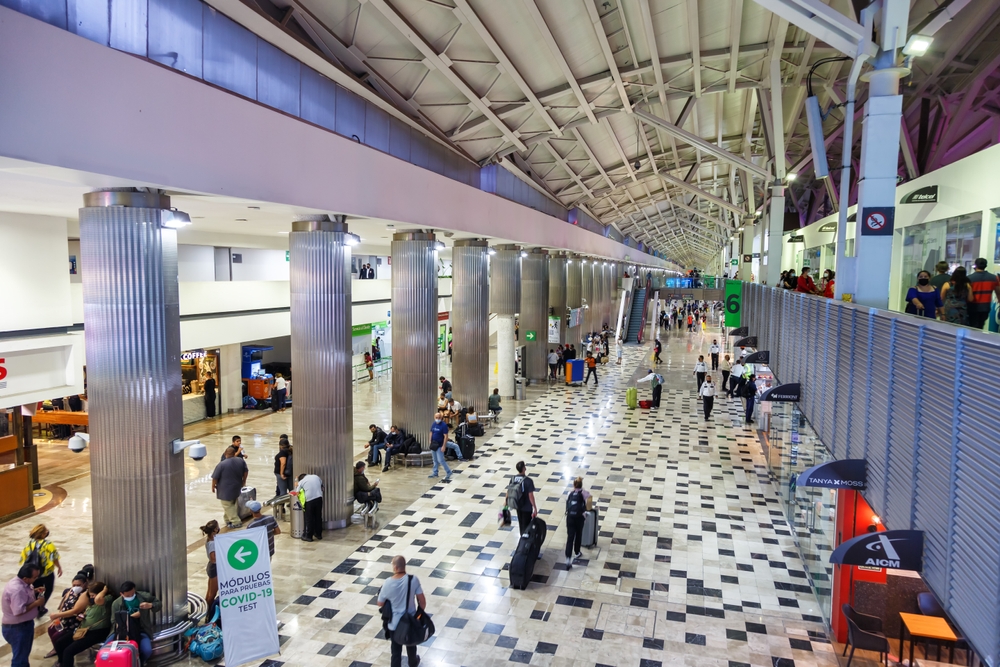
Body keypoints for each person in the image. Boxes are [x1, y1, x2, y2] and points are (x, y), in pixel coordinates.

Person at [377, 556, 426, 667]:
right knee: (411, 647)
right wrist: (419, 615)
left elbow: (380, 603)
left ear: (395, 567)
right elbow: (422, 601)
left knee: (395, 653)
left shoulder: (387, 583)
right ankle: (413, 663)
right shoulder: (413, 579)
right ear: (404, 566)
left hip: (394, 625)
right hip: (410, 622)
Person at [56, 582, 110, 667]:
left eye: (93, 595)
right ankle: (61, 663)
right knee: (60, 643)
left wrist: (105, 590)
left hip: (97, 632)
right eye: (90, 596)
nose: (92, 598)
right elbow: (86, 612)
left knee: (69, 651)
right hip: (83, 629)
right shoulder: (92, 604)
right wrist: (82, 616)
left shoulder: (106, 599)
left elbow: (98, 599)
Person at [2, 564, 44, 667]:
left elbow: (23, 596)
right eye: (34, 577)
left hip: (22, 626)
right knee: (20, 659)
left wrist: (34, 590)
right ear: (25, 578)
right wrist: (36, 603)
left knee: (22, 655)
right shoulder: (17, 590)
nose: (36, 579)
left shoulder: (21, 583)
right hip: (18, 628)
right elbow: (18, 611)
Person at [111, 582, 160, 663]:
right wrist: (129, 618)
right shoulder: (116, 604)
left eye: (133, 594)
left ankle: (139, 662)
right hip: (123, 631)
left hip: (142, 629)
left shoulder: (144, 596)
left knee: (147, 651)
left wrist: (151, 605)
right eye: (128, 596)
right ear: (121, 594)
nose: (131, 597)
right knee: (105, 648)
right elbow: (113, 621)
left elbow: (158, 604)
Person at [46, 572, 90, 658]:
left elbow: (76, 610)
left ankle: (60, 655)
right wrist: (58, 617)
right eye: (74, 585)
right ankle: (57, 649)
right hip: (64, 620)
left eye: (79, 585)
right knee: (51, 629)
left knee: (58, 638)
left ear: (84, 584)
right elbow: (63, 604)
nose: (76, 587)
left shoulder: (84, 595)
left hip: (75, 622)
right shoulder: (71, 591)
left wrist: (58, 615)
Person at [18, 523, 61, 612]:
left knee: (36, 590)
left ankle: (36, 605)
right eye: (45, 531)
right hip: (46, 573)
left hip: (33, 573)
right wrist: (59, 567)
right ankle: (41, 606)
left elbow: (24, 556)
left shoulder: (29, 543)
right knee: (48, 589)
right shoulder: (48, 544)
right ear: (42, 534)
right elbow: (54, 558)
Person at [211, 445, 249, 529]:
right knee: (232, 503)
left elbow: (215, 477)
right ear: (234, 453)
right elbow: (246, 471)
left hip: (225, 489)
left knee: (227, 505)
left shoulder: (222, 464)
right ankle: (227, 520)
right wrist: (244, 481)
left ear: (225, 454)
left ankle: (236, 522)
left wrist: (213, 486)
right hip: (237, 486)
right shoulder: (240, 461)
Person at [509, 461, 539, 555]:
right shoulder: (528, 481)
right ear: (523, 469)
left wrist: (506, 503)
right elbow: (531, 496)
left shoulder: (513, 479)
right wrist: (534, 507)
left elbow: (509, 491)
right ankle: (525, 547)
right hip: (526, 508)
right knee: (527, 527)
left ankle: (522, 543)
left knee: (521, 524)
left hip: (518, 506)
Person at [564, 477, 592, 568]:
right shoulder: (584, 493)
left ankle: (568, 559)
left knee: (570, 538)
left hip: (570, 518)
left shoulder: (569, 493)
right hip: (579, 518)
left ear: (574, 485)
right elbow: (589, 497)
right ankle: (577, 552)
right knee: (578, 535)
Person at [967, 257, 1000, 329]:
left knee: (972, 326)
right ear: (986, 266)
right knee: (980, 326)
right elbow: (998, 293)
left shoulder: (969, 278)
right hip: (985, 307)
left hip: (973, 307)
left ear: (975, 266)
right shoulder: (994, 278)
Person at [294, 472, 324, 541]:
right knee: (318, 517)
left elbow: (297, 493)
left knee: (309, 518)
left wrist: (296, 485)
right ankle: (319, 534)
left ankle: (309, 536)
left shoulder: (302, 481)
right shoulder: (316, 476)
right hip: (319, 499)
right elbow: (322, 486)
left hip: (309, 501)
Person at [200, 521, 219, 609]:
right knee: (212, 594)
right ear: (215, 529)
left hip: (211, 567)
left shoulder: (210, 539)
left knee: (209, 592)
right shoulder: (212, 543)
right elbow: (213, 558)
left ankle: (207, 610)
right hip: (214, 568)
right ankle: (209, 613)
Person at [428, 412, 452, 479]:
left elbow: (445, 436)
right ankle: (435, 472)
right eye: (436, 418)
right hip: (434, 445)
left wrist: (444, 446)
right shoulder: (433, 424)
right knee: (434, 460)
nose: (437, 419)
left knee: (441, 460)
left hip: (440, 445)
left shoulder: (443, 425)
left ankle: (448, 471)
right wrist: (430, 441)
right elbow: (431, 432)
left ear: (441, 418)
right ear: (434, 417)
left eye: (439, 418)